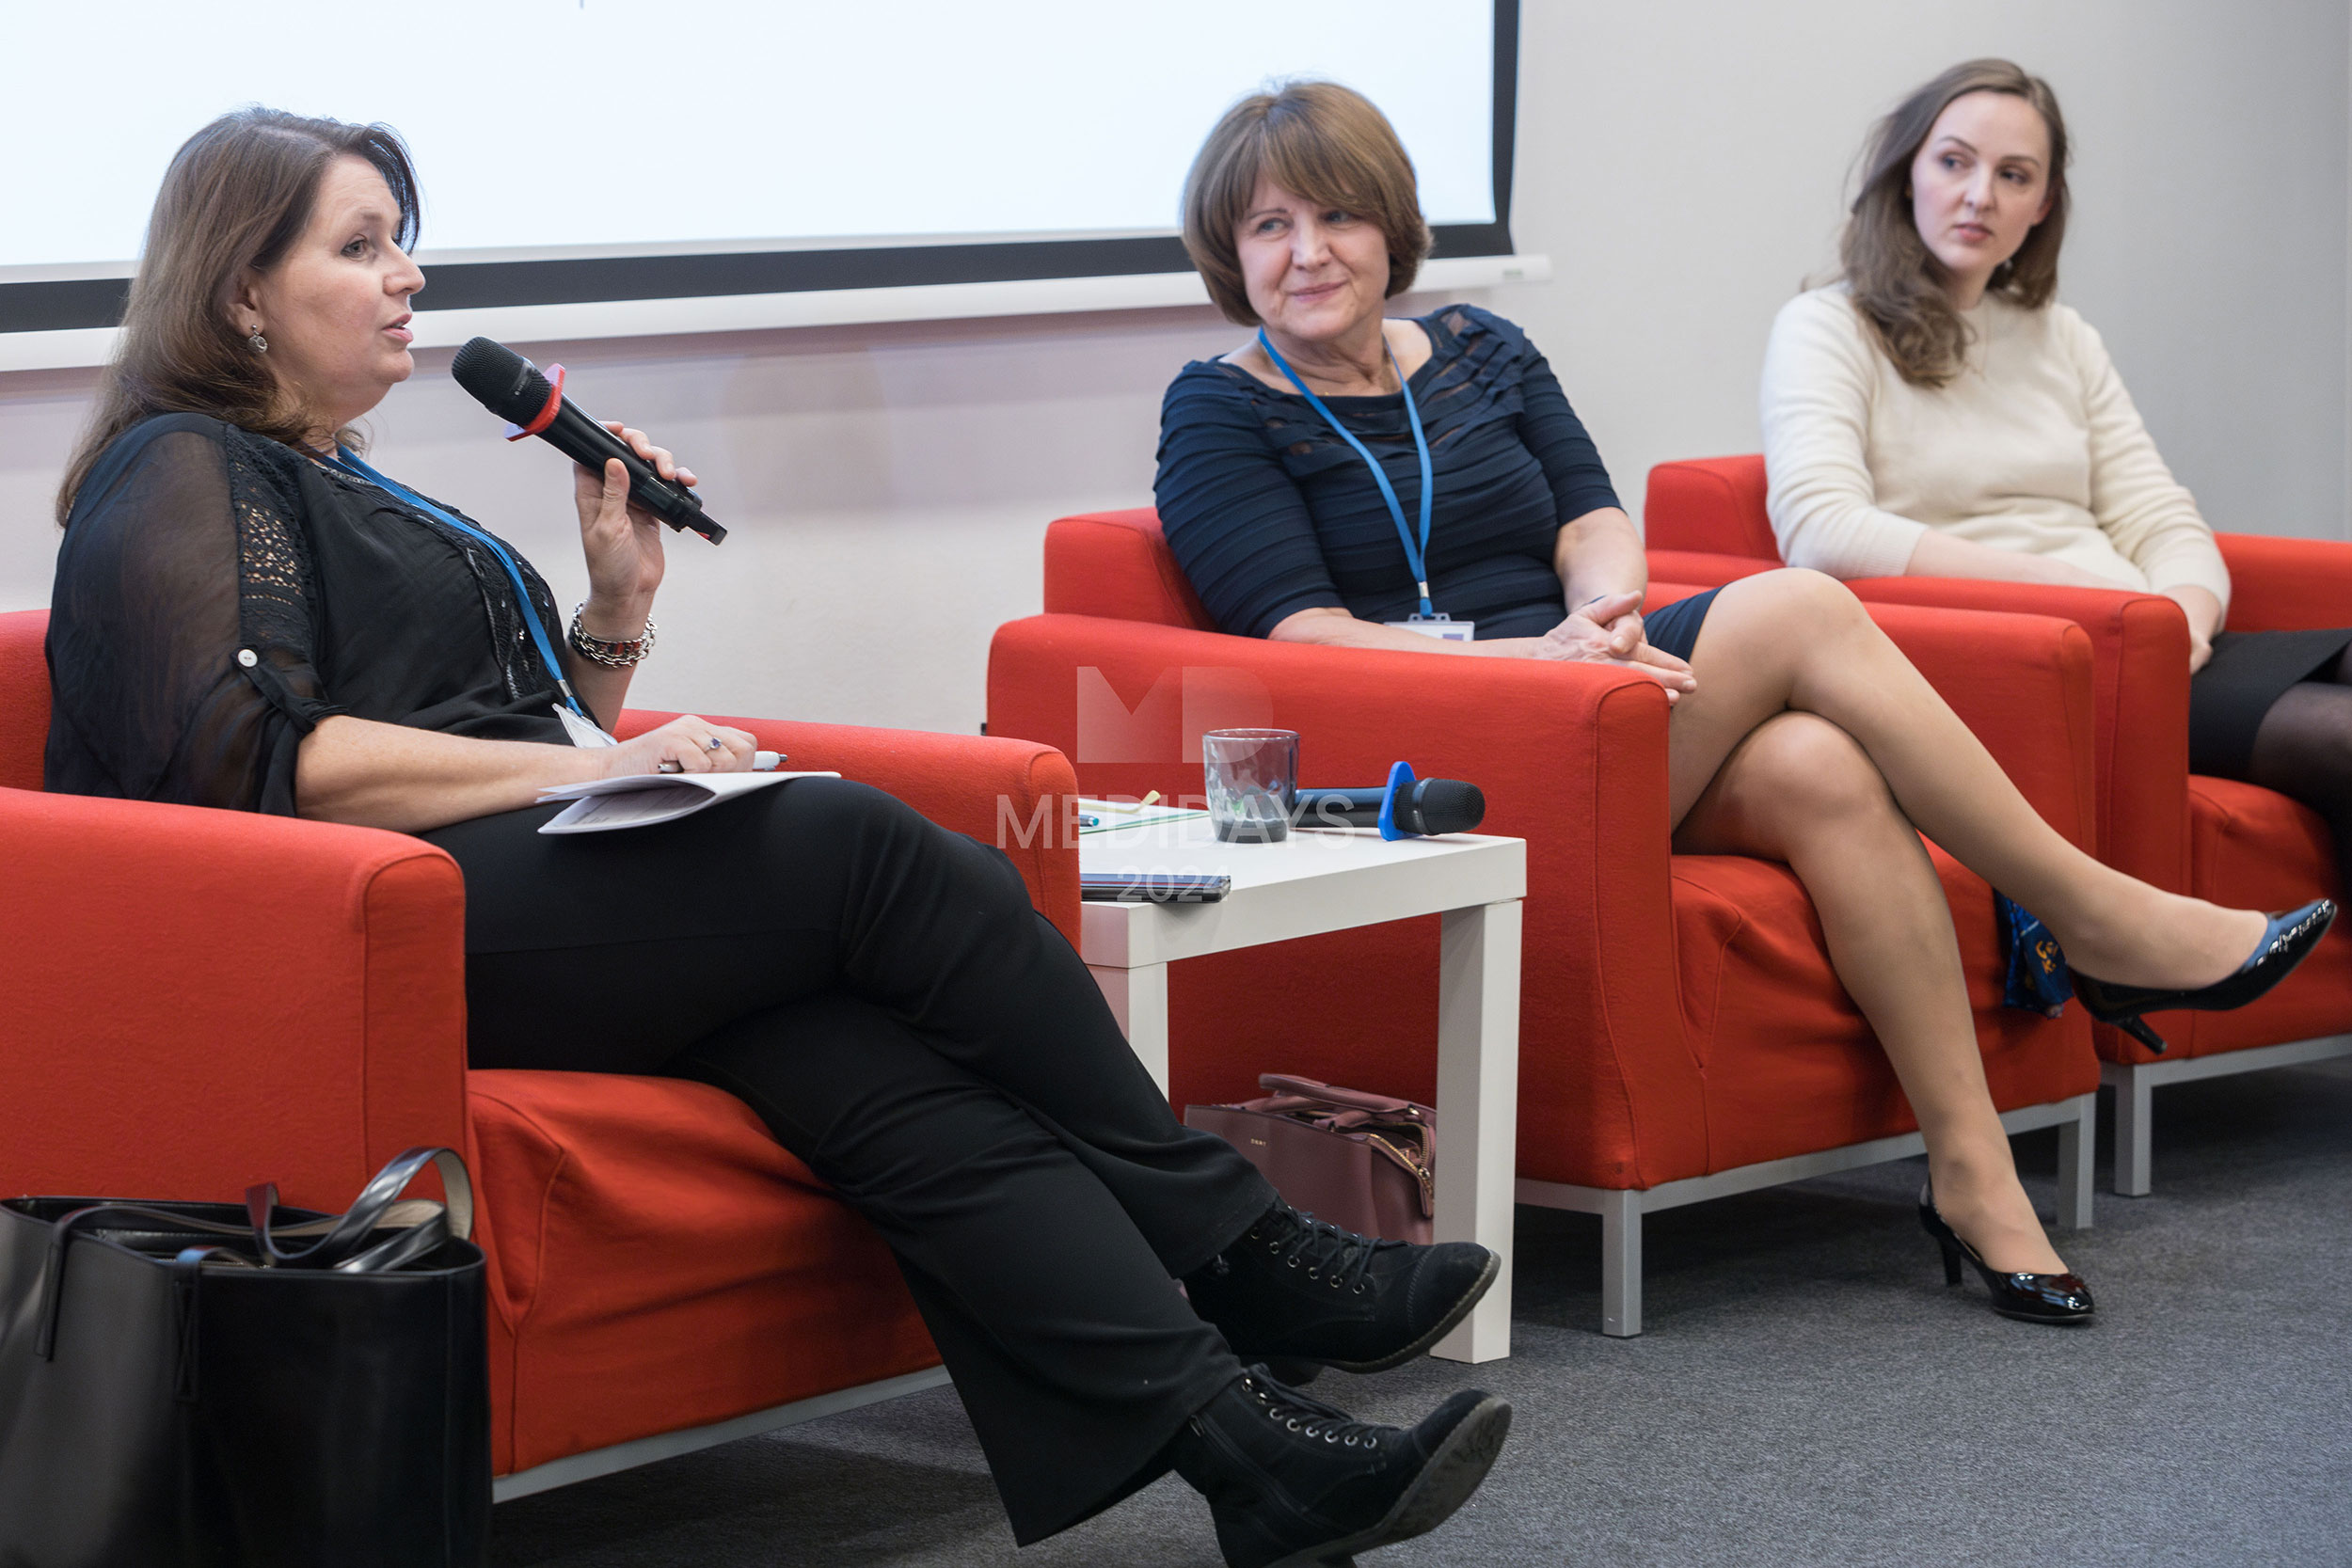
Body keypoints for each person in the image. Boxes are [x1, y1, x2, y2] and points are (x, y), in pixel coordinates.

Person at [44, 109, 1513, 1568]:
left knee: (875, 1071)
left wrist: (614, 608)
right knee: (856, 843)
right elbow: (266, 761)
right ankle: (1243, 1244)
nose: (406, 276)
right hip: (355, 938)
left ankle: (1254, 1460)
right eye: (360, 247)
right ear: (241, 291)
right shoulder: (179, 466)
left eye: (402, 242)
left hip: (495, 889)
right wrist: (609, 762)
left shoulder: (347, 475)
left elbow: (510, 726)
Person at [1154, 81, 2331, 1326]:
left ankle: (1974, 1169)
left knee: (1822, 764)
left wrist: (1603, 617)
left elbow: (1593, 517)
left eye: (1337, 216)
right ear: (1231, 251)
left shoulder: (1481, 349)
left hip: (1592, 688)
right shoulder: (1218, 409)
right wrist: (1537, 664)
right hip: (1434, 755)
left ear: (1389, 226)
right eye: (1271, 226)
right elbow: (1308, 634)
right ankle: (2095, 915)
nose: (1309, 252)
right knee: (1800, 603)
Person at [1760, 57, 2352, 891]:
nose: (1980, 196)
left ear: (2042, 204)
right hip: (2028, 661)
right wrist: (2084, 595)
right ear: (1906, 173)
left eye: (2014, 175)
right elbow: (1822, 531)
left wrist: (2183, 617)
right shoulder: (1826, 327)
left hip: (2148, 642)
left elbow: (2159, 515)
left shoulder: (2061, 335)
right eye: (1954, 162)